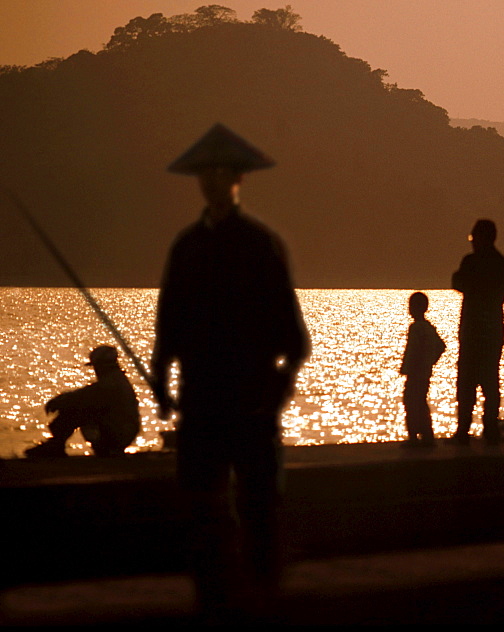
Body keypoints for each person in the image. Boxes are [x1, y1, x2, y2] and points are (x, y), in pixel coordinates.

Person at [150, 123, 310, 617]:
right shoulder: (186, 247)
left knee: (259, 504)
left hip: (250, 399)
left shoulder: (262, 245)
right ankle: (212, 594)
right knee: (200, 502)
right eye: (206, 173)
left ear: (239, 178)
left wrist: (276, 390)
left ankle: (264, 590)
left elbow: (294, 337)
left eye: (222, 172)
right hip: (200, 399)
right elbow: (168, 325)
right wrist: (160, 381)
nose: (213, 181)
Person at [451, 219, 504, 445]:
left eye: (474, 238)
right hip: (492, 329)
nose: (472, 243)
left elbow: (457, 281)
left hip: (475, 329)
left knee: (467, 382)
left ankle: (464, 429)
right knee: (489, 381)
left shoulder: (472, 262)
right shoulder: (503, 264)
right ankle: (490, 428)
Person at [24, 344, 140, 458]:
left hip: (118, 434)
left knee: (75, 412)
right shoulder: (117, 380)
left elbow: (86, 395)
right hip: (124, 431)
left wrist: (61, 401)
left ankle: (56, 445)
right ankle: (57, 444)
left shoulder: (111, 384)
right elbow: (88, 394)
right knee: (80, 409)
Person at [399, 292, 446, 448]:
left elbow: (412, 350)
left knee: (411, 403)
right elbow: (441, 346)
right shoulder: (428, 327)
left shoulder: (416, 328)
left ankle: (414, 437)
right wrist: (430, 361)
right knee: (420, 403)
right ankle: (427, 435)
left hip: (415, 373)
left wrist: (408, 366)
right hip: (424, 372)